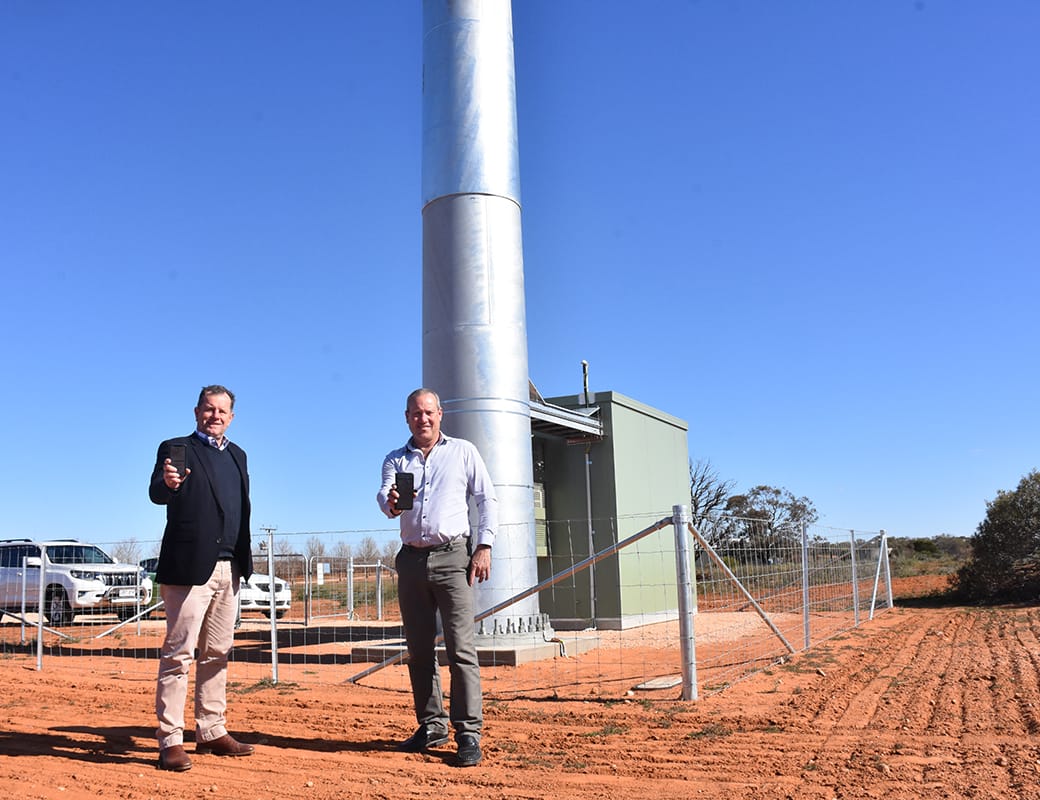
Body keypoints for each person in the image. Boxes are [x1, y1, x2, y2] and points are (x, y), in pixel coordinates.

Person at [377, 388, 497, 768]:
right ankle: (431, 724)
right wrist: (391, 503)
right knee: (420, 651)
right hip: (411, 561)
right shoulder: (395, 459)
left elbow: (486, 498)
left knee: (461, 650)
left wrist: (485, 545)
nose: (422, 419)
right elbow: (384, 499)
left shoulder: (463, 451)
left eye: (428, 412)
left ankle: (468, 734)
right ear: (406, 417)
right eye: (415, 413)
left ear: (440, 414)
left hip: (453, 558)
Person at [148, 385, 256, 771]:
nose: (215, 416)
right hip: (190, 570)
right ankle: (170, 739)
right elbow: (158, 491)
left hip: (230, 569)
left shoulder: (238, 456)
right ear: (196, 412)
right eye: (208, 409)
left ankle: (211, 730)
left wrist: (244, 562)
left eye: (222, 411)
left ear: (231, 416)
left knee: (217, 654)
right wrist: (169, 483)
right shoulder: (176, 448)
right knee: (178, 655)